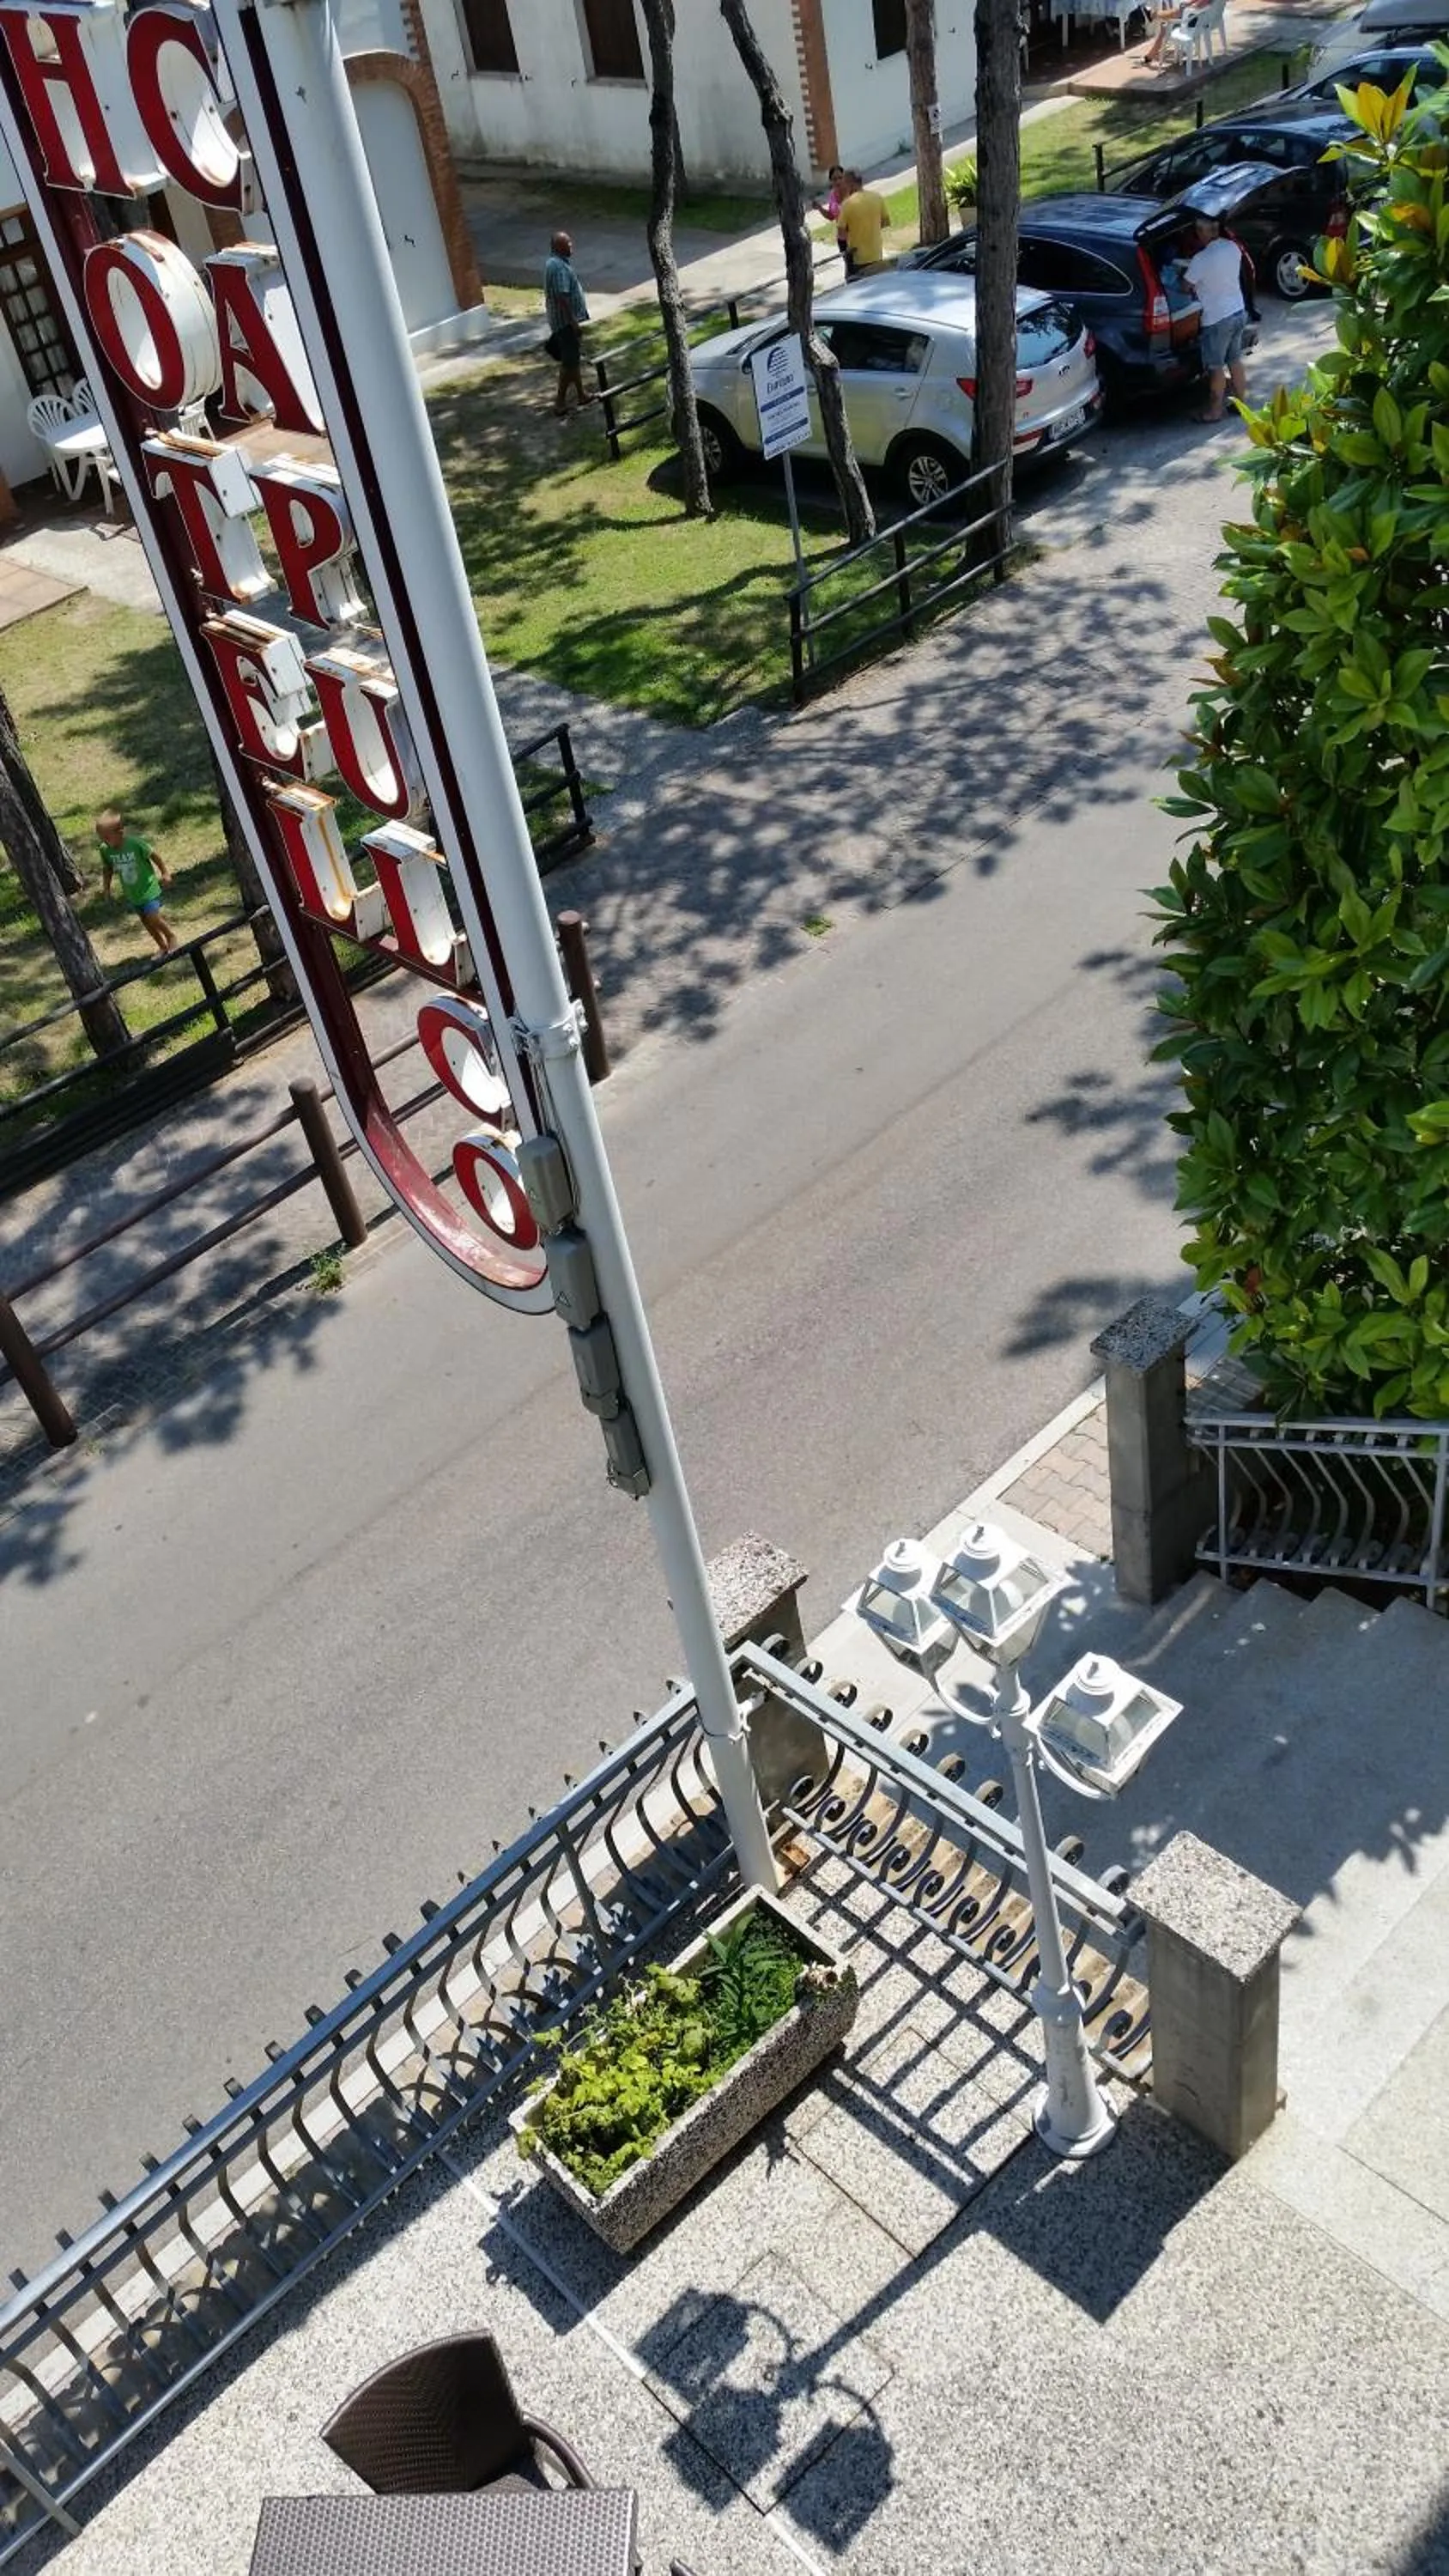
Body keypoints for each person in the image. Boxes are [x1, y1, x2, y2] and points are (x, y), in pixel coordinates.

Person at [1185, 212, 1248, 422]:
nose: (1197, 235)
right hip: (1238, 311)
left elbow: (1186, 286)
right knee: (1235, 360)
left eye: (1197, 231)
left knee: (1215, 367)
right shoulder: (1232, 247)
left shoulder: (1201, 259)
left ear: (1204, 231)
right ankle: (1240, 404)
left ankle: (1214, 411)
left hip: (1217, 319)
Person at [97, 806, 176, 953]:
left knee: (153, 917)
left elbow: (154, 855)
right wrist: (106, 889)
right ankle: (162, 946)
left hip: (149, 888)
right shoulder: (105, 850)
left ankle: (171, 937)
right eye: (102, 838)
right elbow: (107, 869)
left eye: (107, 837)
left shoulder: (135, 844)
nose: (104, 841)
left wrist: (165, 872)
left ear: (120, 832)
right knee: (146, 922)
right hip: (133, 893)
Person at [543, 230, 591, 420]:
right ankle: (560, 403)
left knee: (574, 360)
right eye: (568, 243)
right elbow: (561, 296)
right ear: (558, 246)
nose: (572, 246)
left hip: (561, 322)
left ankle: (581, 395)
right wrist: (573, 322)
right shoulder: (559, 267)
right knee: (569, 362)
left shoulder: (553, 263)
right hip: (565, 323)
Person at [838, 171, 890, 277]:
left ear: (850, 183)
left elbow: (841, 234)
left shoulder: (847, 204)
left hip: (858, 259)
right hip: (876, 254)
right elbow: (886, 222)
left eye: (845, 183)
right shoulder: (877, 197)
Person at [813, 164, 849, 268]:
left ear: (844, 178)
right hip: (842, 239)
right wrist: (819, 208)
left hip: (854, 236)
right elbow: (831, 216)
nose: (837, 181)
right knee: (849, 267)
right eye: (834, 179)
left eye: (840, 178)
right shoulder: (833, 194)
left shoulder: (851, 192)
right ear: (831, 181)